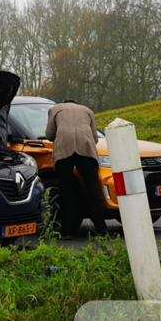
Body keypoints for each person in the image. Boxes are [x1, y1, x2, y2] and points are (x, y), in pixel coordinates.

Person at [45, 100, 108, 239]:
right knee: (92, 188)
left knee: (66, 190)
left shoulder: (55, 109)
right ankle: (101, 229)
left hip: (64, 149)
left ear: (64, 103)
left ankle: (67, 231)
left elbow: (49, 134)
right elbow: (95, 138)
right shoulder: (87, 110)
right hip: (86, 148)